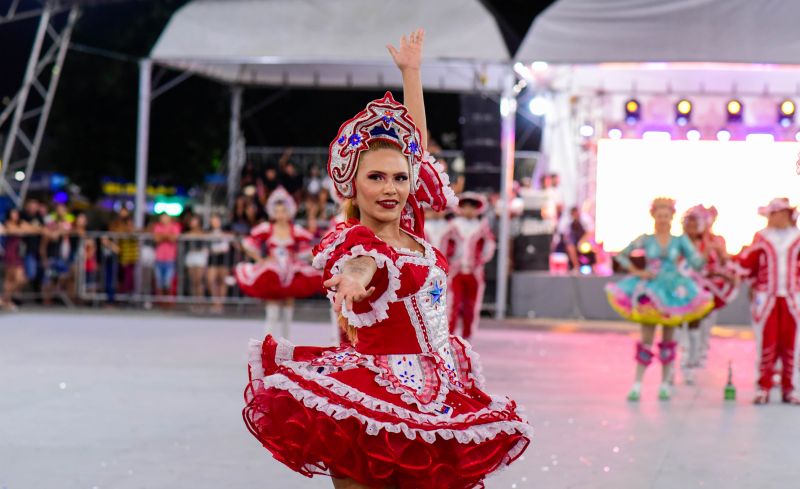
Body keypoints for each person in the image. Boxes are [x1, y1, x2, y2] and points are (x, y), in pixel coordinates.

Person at [242, 30, 531, 489]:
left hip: (439, 386)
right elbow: (361, 262)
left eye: (399, 178)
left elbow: (417, 145)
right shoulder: (354, 238)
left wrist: (411, 74)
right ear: (353, 186)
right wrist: (354, 279)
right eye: (375, 177)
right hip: (376, 390)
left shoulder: (412, 232)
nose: (391, 188)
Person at [606, 197, 714, 401]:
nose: (663, 220)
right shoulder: (646, 239)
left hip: (673, 292)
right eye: (659, 216)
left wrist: (707, 250)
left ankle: (665, 383)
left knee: (668, 339)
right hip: (650, 291)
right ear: (653, 217)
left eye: (666, 216)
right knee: (646, 338)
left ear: (672, 217)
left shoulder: (680, 240)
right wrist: (638, 272)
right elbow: (621, 256)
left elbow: (697, 263)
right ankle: (637, 384)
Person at [736, 198, 800, 405]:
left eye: (777, 213)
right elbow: (748, 262)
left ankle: (790, 388)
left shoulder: (797, 237)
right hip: (767, 298)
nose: (773, 218)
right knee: (767, 341)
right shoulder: (762, 237)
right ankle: (763, 387)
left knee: (792, 342)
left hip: (792, 298)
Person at [235, 186, 321, 338]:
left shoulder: (295, 230)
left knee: (288, 305)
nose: (281, 214)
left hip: (290, 269)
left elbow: (306, 251)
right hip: (272, 270)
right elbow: (248, 243)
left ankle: (286, 343)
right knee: (273, 307)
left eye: (284, 211)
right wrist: (260, 259)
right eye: (278, 211)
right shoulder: (267, 228)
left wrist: (319, 260)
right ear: (273, 212)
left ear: (289, 212)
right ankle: (267, 344)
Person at [679, 206, 738, 382]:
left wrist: (722, 268)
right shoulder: (680, 243)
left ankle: (698, 356)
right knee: (683, 325)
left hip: (708, 290)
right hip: (683, 289)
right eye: (689, 221)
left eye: (696, 221)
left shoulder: (715, 241)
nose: (693, 225)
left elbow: (723, 263)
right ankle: (687, 358)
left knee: (704, 323)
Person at [443, 192, 496, 340]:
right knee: (452, 304)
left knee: (471, 305)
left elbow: (490, 244)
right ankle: (450, 335)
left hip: (474, 272)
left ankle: (468, 335)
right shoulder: (453, 226)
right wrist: (449, 261)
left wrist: (481, 260)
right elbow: (444, 244)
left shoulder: (481, 227)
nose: (468, 210)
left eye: (472, 207)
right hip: (456, 272)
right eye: (465, 207)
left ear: (477, 209)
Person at [2, 209, 29, 310]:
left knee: (20, 279)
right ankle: (6, 301)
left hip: (18, 253)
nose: (15, 215)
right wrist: (23, 229)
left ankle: (4, 299)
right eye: (13, 213)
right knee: (10, 278)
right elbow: (12, 230)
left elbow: (34, 229)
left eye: (16, 213)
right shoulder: (8, 223)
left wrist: (24, 228)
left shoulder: (20, 223)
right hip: (11, 252)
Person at [206, 214, 231, 314]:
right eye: (213, 221)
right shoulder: (208, 233)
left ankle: (221, 304)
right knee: (211, 280)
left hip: (223, 259)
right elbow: (208, 247)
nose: (215, 223)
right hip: (212, 259)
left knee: (222, 281)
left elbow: (225, 247)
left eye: (217, 220)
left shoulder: (225, 232)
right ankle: (215, 302)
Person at [152, 212, 181, 301]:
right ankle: (160, 301)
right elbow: (156, 239)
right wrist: (168, 235)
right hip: (158, 258)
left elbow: (173, 238)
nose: (164, 219)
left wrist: (163, 236)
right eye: (162, 217)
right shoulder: (157, 226)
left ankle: (168, 301)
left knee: (168, 281)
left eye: (166, 217)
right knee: (159, 281)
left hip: (170, 258)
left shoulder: (175, 226)